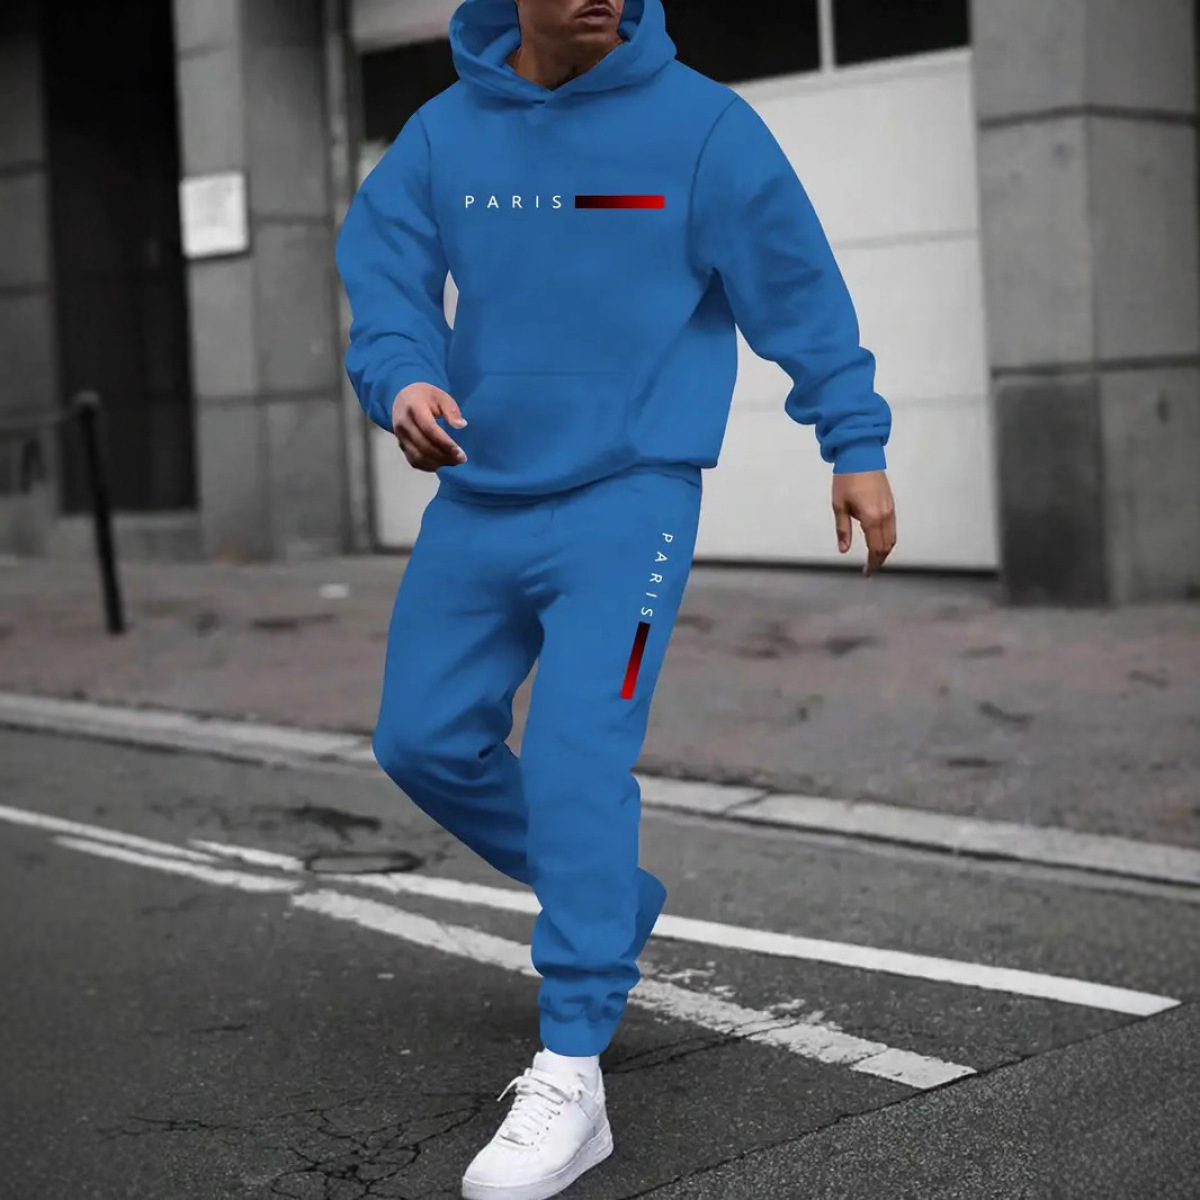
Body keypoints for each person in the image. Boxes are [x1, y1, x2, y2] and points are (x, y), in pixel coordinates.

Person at [335, 0, 896, 1195]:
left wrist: (852, 439)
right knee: (420, 739)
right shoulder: (441, 136)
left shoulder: (703, 128)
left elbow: (796, 289)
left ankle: (574, 1070)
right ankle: (609, 894)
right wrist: (403, 381)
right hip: (478, 494)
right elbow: (384, 283)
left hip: (632, 504)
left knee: (578, 759)